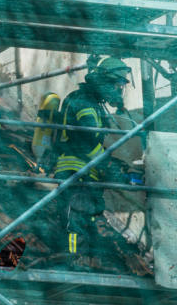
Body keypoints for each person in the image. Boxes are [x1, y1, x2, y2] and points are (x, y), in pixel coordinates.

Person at [54, 56, 134, 262]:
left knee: (89, 215)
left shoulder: (91, 101)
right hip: (75, 170)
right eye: (117, 85)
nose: (119, 91)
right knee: (77, 218)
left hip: (85, 170)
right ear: (105, 82)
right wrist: (107, 164)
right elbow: (85, 139)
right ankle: (73, 261)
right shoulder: (84, 102)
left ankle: (86, 259)